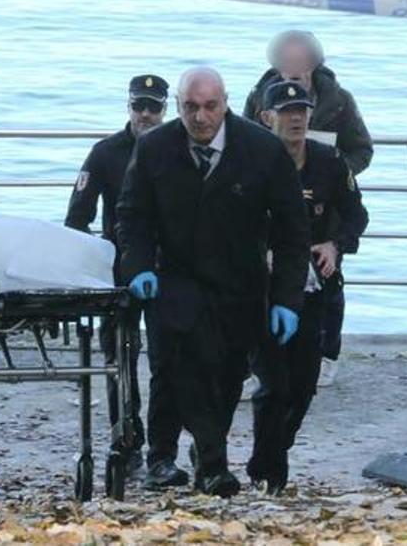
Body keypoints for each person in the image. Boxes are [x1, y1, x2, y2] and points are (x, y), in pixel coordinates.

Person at [116, 66, 310, 497]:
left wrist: (286, 299)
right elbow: (132, 215)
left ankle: (205, 454)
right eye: (190, 108)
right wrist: (139, 265)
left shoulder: (262, 150)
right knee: (180, 365)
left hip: (239, 281)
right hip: (176, 277)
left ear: (225, 103)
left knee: (226, 375)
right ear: (179, 106)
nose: (200, 118)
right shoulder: (155, 149)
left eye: (209, 107)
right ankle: (199, 463)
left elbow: (293, 231)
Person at [247, 80, 369, 493]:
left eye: (301, 110)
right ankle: (271, 473)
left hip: (313, 286)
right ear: (267, 118)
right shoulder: (252, 161)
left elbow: (357, 216)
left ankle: (270, 454)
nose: (296, 118)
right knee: (272, 383)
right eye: (286, 112)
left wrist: (336, 246)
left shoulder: (329, 162)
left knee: (303, 386)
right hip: (261, 289)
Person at [64, 73, 169, 477]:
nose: (145, 114)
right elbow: (77, 216)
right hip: (117, 269)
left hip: (169, 268)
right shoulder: (105, 153)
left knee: (168, 358)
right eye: (138, 105)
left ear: (164, 109)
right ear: (128, 106)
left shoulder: (177, 148)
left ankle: (163, 445)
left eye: (153, 107)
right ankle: (126, 439)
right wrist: (89, 266)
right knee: (118, 358)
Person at [241, 30, 374, 175]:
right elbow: (243, 146)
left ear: (314, 63)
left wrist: (334, 175)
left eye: (301, 61)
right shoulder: (259, 97)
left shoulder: (339, 101)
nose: (294, 69)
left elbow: (361, 150)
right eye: (287, 61)